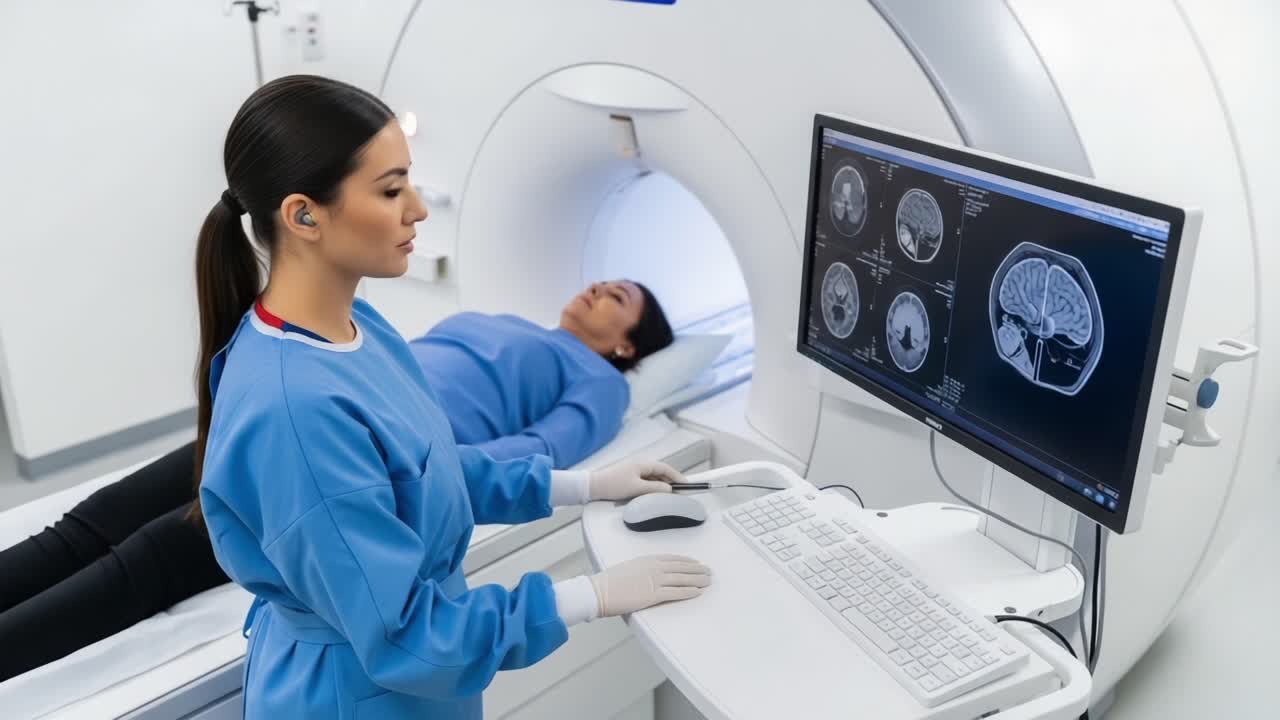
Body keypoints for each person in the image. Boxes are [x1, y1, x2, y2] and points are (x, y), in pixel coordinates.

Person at [195, 75, 709, 719]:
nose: (418, 208)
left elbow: (431, 466)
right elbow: (408, 636)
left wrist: (585, 485)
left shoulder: (361, 328)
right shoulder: (297, 411)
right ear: (304, 215)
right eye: (390, 190)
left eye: (409, 180)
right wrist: (591, 595)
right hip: (355, 699)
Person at [0, 280, 675, 683]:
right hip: (285, 408)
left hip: (347, 453)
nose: (598, 288)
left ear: (625, 345)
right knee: (89, 525)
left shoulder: (597, 383)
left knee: (142, 561)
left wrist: (421, 462)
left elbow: (538, 449)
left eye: (618, 297)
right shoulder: (502, 322)